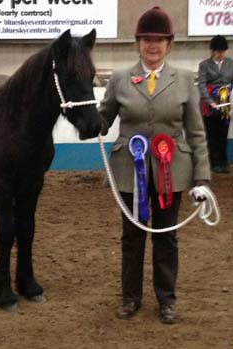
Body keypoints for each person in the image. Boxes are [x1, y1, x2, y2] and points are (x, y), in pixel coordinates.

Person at [99, 6, 211, 324]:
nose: (153, 45)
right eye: (147, 39)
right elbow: (103, 120)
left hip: (171, 172)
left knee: (165, 237)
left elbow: (197, 133)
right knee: (131, 237)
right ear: (138, 42)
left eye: (159, 40)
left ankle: (167, 301)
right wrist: (88, 119)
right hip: (127, 171)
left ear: (169, 44)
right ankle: (131, 298)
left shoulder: (185, 80)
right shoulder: (120, 79)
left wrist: (202, 178)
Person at [198, 35, 233, 173]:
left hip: (225, 105)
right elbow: (201, 85)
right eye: (218, 51)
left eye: (223, 51)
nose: (221, 54)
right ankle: (213, 163)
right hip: (210, 106)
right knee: (212, 135)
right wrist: (210, 102)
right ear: (212, 51)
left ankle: (223, 162)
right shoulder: (204, 65)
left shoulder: (230, 63)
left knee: (223, 134)